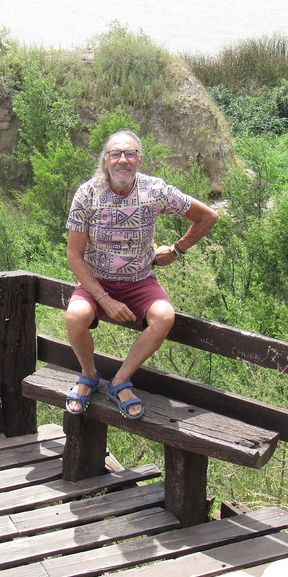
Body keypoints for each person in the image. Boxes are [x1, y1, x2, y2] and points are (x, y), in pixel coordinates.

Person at [64, 129, 219, 419]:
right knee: (74, 317)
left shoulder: (155, 191)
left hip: (140, 280)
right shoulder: (87, 194)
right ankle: (88, 375)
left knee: (164, 316)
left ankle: (120, 380)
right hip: (96, 281)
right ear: (105, 160)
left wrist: (176, 250)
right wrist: (104, 299)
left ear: (139, 159)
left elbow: (208, 216)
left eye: (130, 153)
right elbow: (74, 256)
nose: (123, 160)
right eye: (115, 154)